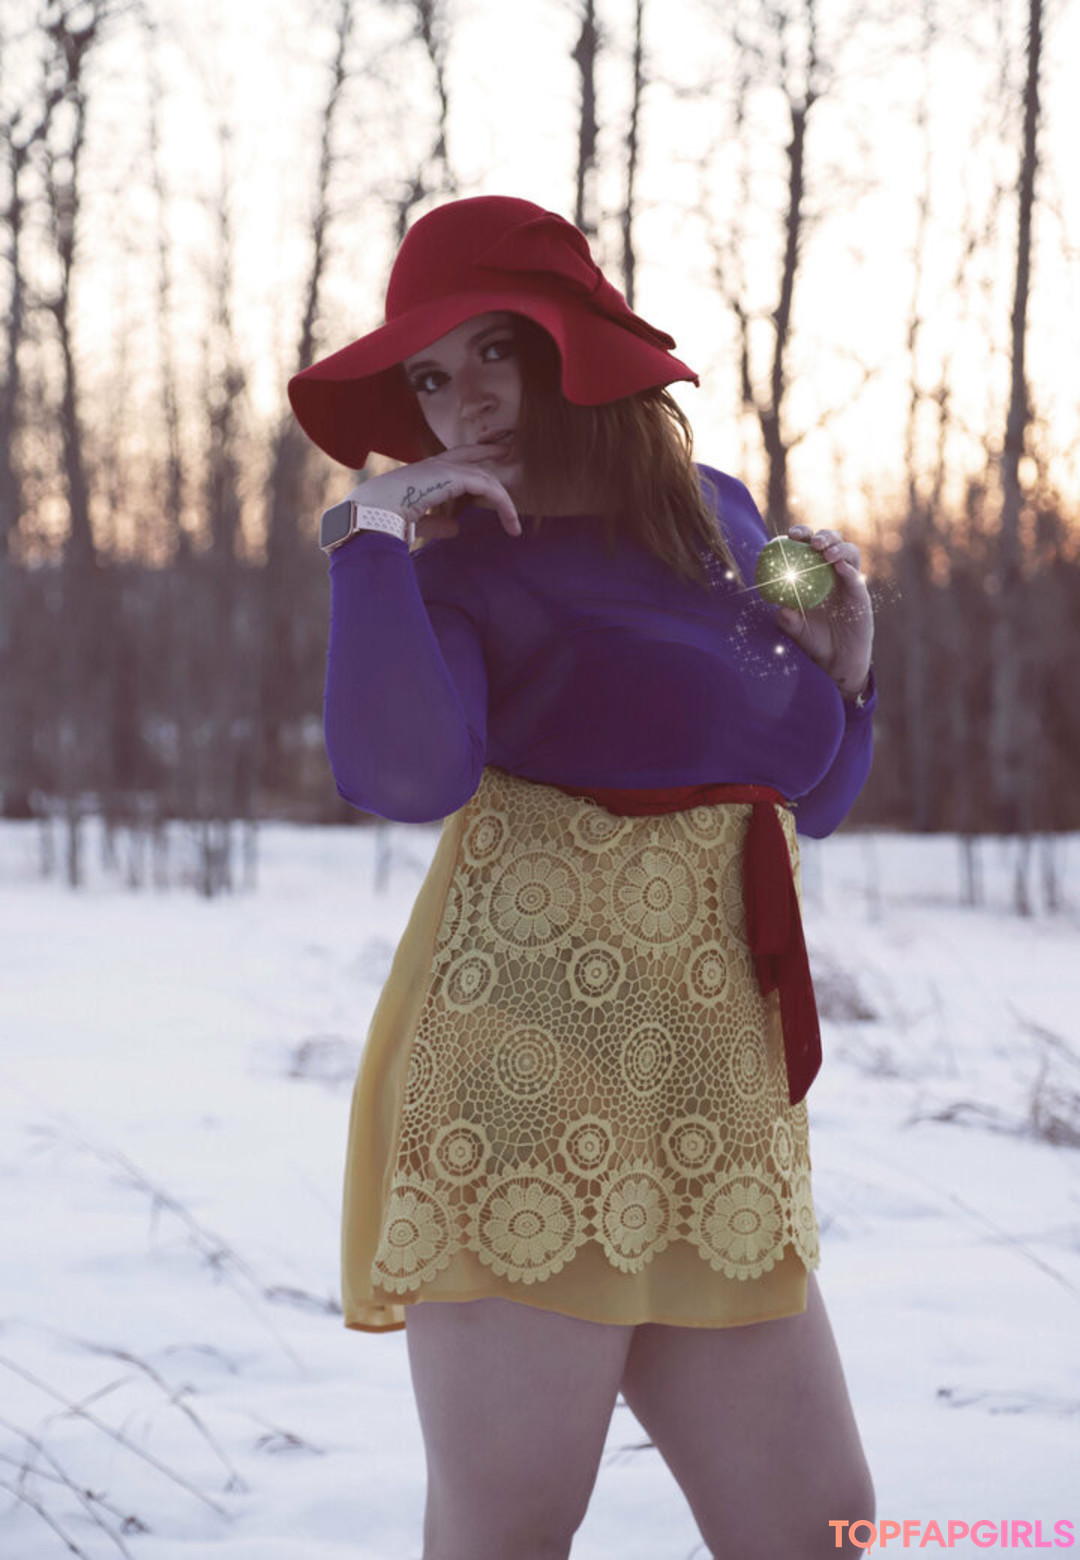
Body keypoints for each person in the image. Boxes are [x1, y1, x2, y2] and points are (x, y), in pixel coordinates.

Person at [289, 194, 877, 1560]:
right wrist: (367, 532)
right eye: (430, 378)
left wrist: (852, 677)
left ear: (581, 349)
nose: (464, 403)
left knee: (823, 1530)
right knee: (508, 1537)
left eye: (495, 350)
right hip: (526, 1089)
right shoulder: (456, 559)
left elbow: (812, 794)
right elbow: (401, 776)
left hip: (716, 1096)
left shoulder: (724, 516)